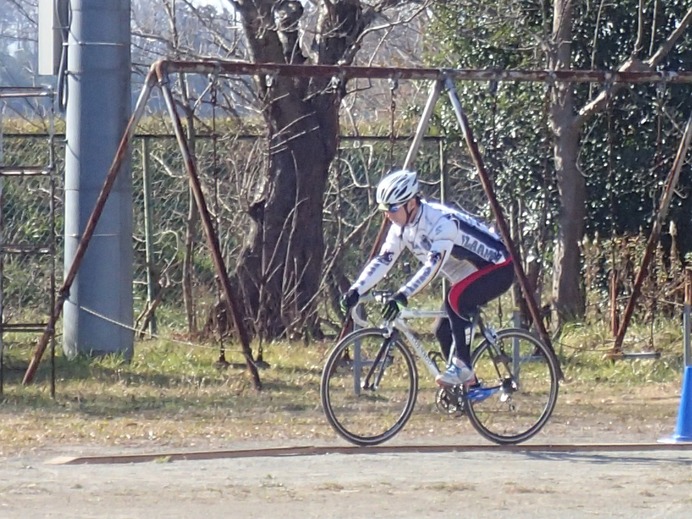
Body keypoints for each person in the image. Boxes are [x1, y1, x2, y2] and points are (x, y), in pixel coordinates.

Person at [341, 169, 514, 387]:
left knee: (456, 299)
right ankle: (470, 385)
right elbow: (384, 260)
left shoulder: (441, 224)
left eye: (392, 208)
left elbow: (431, 268)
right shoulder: (401, 227)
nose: (388, 215)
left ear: (411, 203)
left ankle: (462, 367)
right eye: (384, 209)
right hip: (469, 273)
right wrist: (357, 289)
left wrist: (403, 295)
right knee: (441, 330)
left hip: (498, 267)